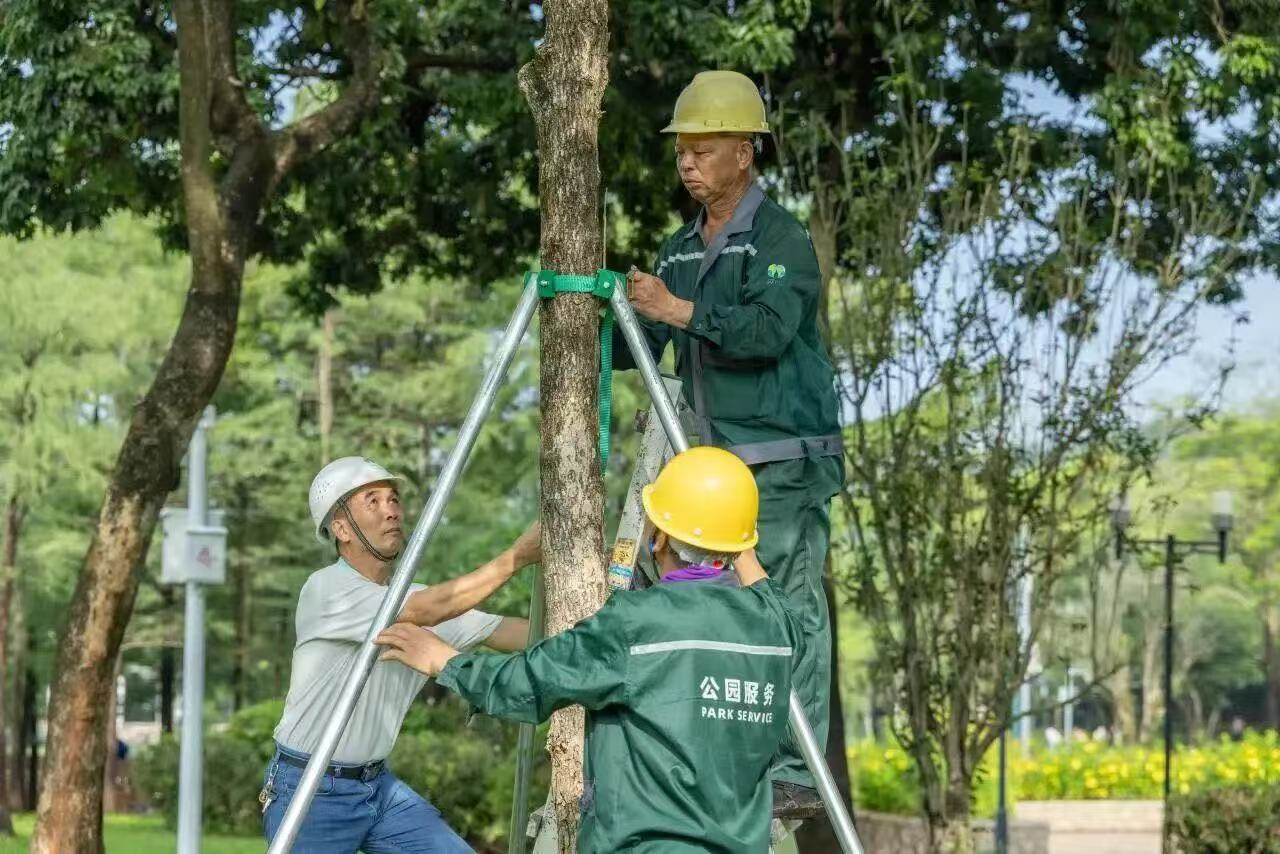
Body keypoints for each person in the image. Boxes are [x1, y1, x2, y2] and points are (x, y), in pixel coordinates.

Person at [377, 447, 806, 854]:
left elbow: (529, 683)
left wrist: (445, 662)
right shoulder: (776, 626)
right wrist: (727, 527)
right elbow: (761, 584)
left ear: (657, 536)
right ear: (737, 544)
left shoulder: (636, 622)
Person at [614, 69, 843, 810]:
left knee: (784, 604)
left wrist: (677, 311)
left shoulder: (781, 239)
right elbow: (640, 343)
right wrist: (597, 317)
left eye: (703, 149)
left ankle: (797, 774)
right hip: (709, 471)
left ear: (745, 152)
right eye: (681, 150)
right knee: (678, 594)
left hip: (780, 463)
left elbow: (768, 333)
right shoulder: (681, 246)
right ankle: (702, 747)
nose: (686, 163)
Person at [261, 456, 541, 853]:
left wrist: (603, 625)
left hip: (376, 788)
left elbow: (512, 632)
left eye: (393, 499)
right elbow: (424, 610)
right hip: (310, 787)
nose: (391, 509)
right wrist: (518, 557)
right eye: (372, 501)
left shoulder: (421, 600)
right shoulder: (326, 590)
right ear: (341, 528)